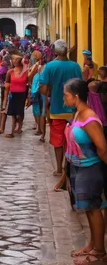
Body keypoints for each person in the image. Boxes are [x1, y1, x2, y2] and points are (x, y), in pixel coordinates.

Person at [64, 79, 107, 264]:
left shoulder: (89, 117)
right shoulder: (78, 114)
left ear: (76, 96)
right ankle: (92, 244)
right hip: (79, 167)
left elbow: (102, 148)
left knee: (94, 208)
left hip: (90, 168)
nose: (63, 99)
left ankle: (99, 251)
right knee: (88, 209)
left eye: (65, 95)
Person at [40, 39, 82, 177]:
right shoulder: (75, 66)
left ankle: (59, 168)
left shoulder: (50, 66)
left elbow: (44, 89)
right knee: (73, 139)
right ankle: (69, 168)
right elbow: (80, 87)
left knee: (58, 141)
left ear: (55, 51)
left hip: (57, 110)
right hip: (73, 111)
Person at [4, 53, 28, 138]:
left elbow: (28, 82)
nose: (14, 61)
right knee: (13, 113)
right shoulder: (10, 72)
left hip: (22, 94)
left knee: (20, 112)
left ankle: (19, 126)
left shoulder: (25, 71)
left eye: (16, 59)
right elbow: (6, 85)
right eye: (13, 59)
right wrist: (5, 100)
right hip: (13, 94)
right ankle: (12, 130)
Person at [29, 53, 47, 142]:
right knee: (39, 109)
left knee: (39, 110)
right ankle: (39, 128)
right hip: (39, 89)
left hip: (39, 89)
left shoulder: (43, 67)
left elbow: (30, 75)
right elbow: (30, 76)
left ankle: (40, 129)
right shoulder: (46, 67)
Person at [0, 55, 11, 135]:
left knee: (3, 108)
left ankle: (1, 128)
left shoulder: (4, 69)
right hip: (8, 89)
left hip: (6, 89)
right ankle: (2, 128)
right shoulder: (10, 69)